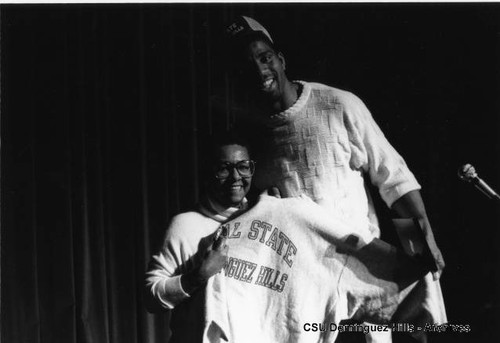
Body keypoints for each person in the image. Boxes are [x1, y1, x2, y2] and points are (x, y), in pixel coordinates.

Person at [224, 16, 446, 342]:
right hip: (302, 288)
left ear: (281, 59)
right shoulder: (249, 136)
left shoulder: (337, 104)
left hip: (361, 272)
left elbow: (394, 179)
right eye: (248, 65)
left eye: (264, 58)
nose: (259, 70)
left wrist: (425, 242)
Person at [144, 132, 256, 342]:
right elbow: (151, 297)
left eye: (243, 166)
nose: (235, 177)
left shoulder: (261, 221)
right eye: (224, 168)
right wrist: (198, 276)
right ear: (208, 173)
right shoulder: (185, 224)